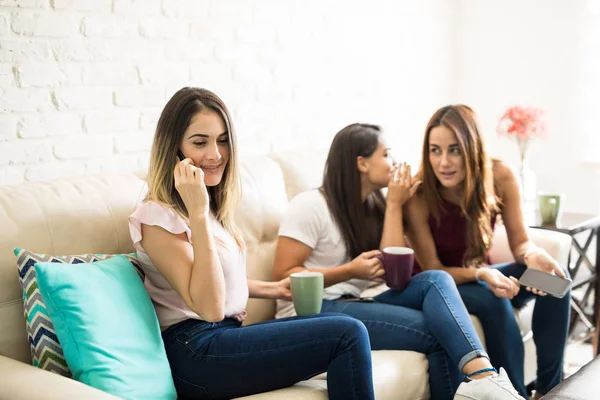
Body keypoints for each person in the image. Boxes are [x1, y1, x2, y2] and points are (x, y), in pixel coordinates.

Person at [128, 87, 375, 400]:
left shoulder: (211, 209)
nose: (215, 154)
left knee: (346, 326)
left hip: (223, 339)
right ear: (174, 148)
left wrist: (269, 289)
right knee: (348, 334)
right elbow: (210, 307)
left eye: (222, 140)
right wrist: (198, 214)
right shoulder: (157, 217)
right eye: (200, 142)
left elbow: (206, 278)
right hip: (194, 354)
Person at [272, 123, 523, 400]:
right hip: (313, 311)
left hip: (358, 301)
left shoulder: (375, 205)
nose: (395, 163)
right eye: (387, 154)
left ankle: (484, 378)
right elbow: (284, 275)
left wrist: (394, 204)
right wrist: (349, 271)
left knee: (436, 279)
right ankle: (485, 381)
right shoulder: (311, 205)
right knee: (440, 331)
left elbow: (395, 277)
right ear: (362, 163)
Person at [404, 104, 570, 399]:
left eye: (454, 149)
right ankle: (514, 394)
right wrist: (485, 274)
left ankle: (549, 390)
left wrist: (534, 256)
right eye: (435, 150)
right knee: (491, 296)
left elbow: (520, 242)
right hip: (441, 288)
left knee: (556, 279)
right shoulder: (419, 195)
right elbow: (433, 268)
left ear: (472, 147)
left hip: (485, 277)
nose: (443, 162)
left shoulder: (501, 175)